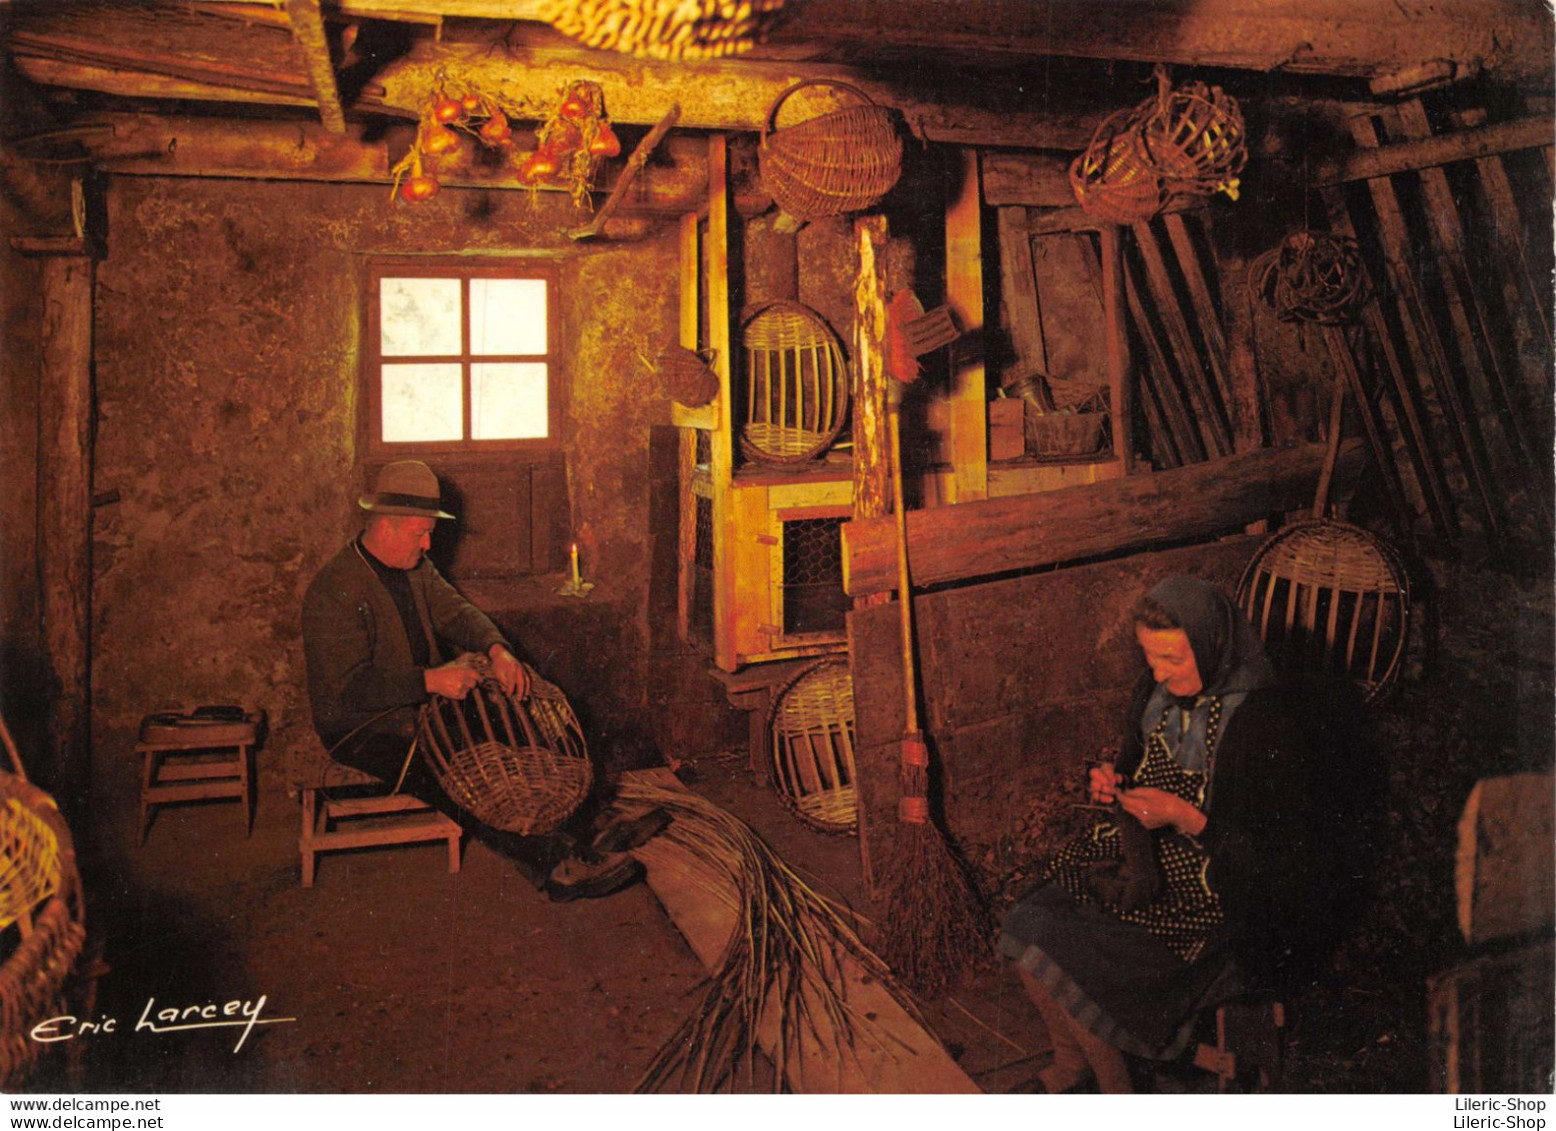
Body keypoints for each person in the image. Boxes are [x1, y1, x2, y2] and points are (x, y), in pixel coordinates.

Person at [997, 575, 1320, 1093]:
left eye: (1174, 660)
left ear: (1214, 644)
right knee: (1030, 916)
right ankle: (1068, 1067)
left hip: (1221, 893)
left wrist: (1187, 818)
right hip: (1147, 861)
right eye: (1151, 658)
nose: (1160, 674)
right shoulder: (1153, 694)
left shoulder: (1263, 723)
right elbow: (1131, 764)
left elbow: (1280, 858)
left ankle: (1116, 1095)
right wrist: (1113, 782)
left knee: (1073, 952)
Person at [302, 459, 667, 901]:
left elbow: (456, 612)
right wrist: (430, 682)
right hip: (364, 728)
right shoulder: (335, 589)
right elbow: (349, 688)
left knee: (520, 720)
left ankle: (590, 822)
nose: (429, 542)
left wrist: (498, 651)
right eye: (420, 532)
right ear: (387, 526)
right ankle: (554, 866)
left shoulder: (414, 566)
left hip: (426, 704)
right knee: (458, 773)